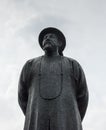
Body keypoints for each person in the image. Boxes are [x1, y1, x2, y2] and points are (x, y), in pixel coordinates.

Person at [18, 27, 89, 130]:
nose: (47, 39)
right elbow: (22, 96)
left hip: (67, 120)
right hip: (37, 120)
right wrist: (35, 112)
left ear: (60, 43)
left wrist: (72, 117)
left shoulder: (73, 65)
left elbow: (83, 97)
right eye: (45, 38)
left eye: (51, 37)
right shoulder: (30, 65)